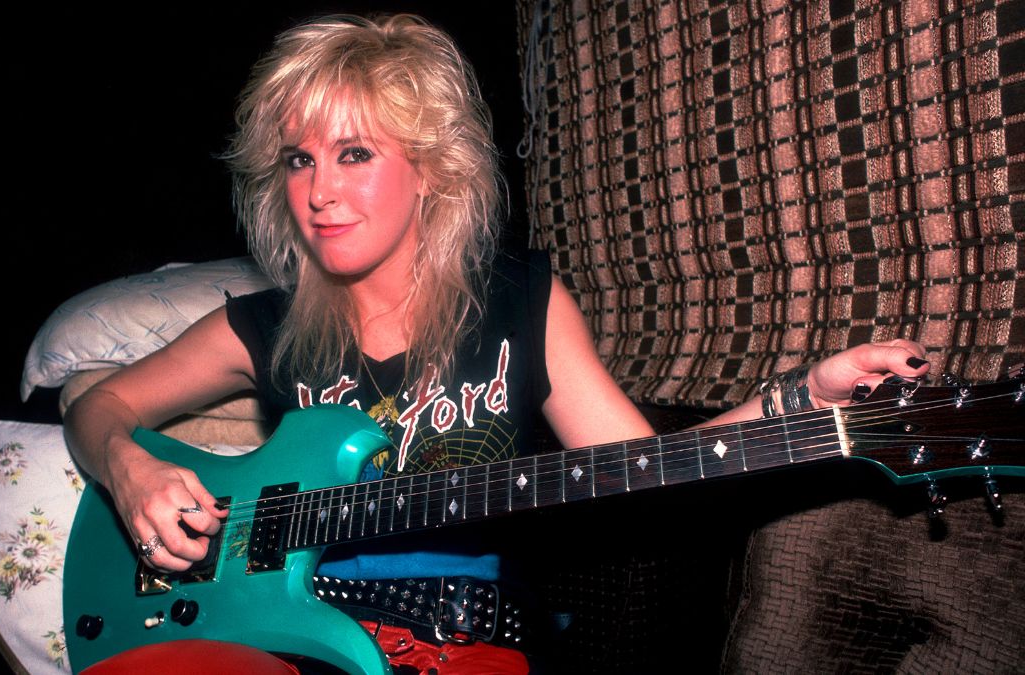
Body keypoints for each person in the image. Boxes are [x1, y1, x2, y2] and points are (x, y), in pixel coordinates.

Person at [63, 13, 931, 673]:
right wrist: (129, 467)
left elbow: (647, 476)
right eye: (298, 160)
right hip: (265, 629)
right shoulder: (263, 323)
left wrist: (798, 400)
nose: (319, 190)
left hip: (452, 633)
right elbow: (102, 404)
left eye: (354, 153)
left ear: (432, 168)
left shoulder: (522, 302)